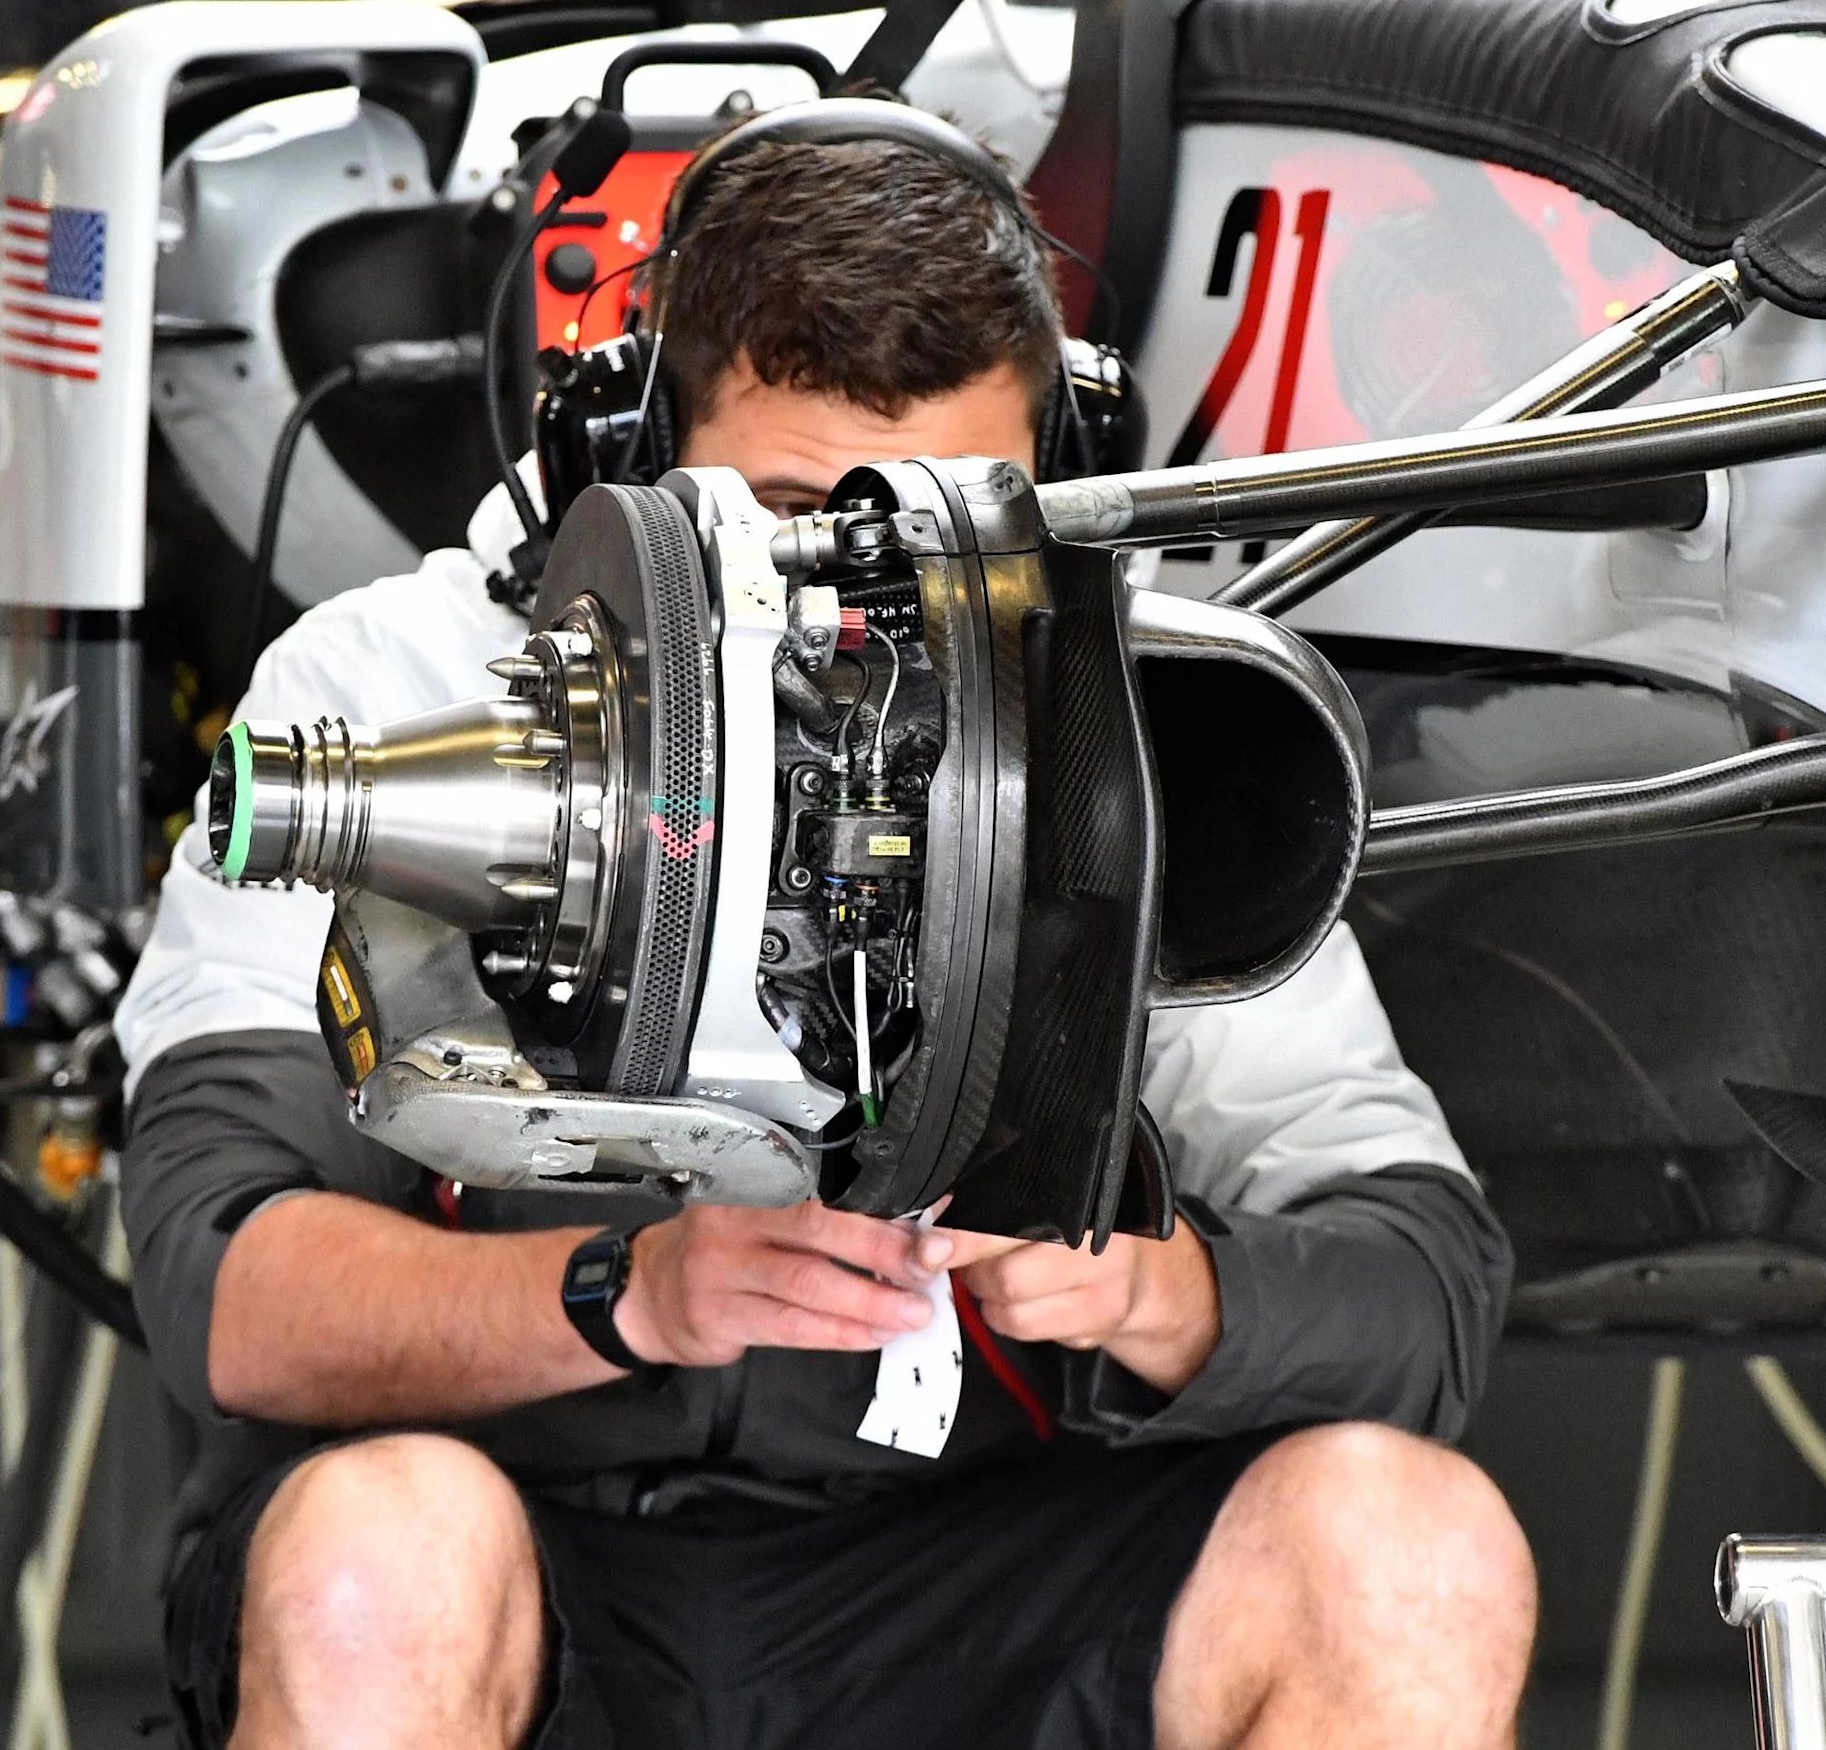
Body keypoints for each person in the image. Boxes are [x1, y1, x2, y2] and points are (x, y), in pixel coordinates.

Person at [114, 117, 1533, 1750]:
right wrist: (628, 1294)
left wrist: (1158, 1296)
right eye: (799, 516)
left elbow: (1425, 1293)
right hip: (521, 1556)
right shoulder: (391, 685)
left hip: (976, 1577)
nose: (872, 605)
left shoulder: (1133, 731)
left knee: (1412, 1557)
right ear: (642, 448)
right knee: (379, 1558)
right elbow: (226, 1284)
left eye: (952, 521)